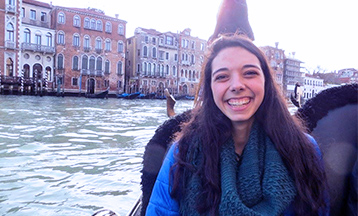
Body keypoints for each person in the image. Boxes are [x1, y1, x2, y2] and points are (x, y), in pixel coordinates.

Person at [145, 34, 329, 216]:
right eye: (222, 76)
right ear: (210, 88)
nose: (236, 85)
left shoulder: (302, 148)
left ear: (266, 81)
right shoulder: (182, 153)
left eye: (249, 73)